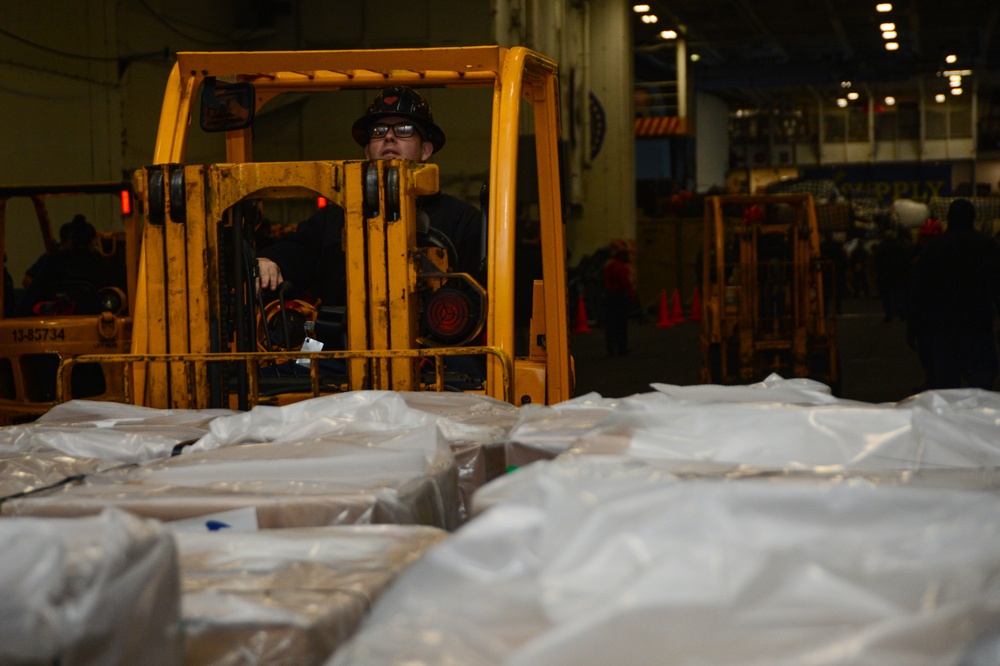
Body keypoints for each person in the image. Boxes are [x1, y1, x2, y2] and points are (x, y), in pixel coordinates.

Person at [257, 85, 482, 308]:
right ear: (367, 152)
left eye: (404, 129)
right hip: (346, 343)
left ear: (425, 150)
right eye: (378, 131)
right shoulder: (335, 218)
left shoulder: (462, 221)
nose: (389, 137)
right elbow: (298, 250)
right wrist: (271, 261)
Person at [909, 199, 1000, 390]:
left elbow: (919, 291)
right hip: (978, 323)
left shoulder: (933, 249)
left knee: (946, 385)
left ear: (949, 219)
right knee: (981, 382)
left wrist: (913, 327)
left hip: (943, 326)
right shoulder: (987, 247)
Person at [17, 214, 117, 316]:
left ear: (71, 239)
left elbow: (30, 289)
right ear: (92, 242)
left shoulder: (53, 260)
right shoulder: (97, 263)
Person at [602, 243, 635, 356]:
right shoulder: (622, 268)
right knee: (621, 323)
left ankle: (611, 347)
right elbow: (626, 284)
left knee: (610, 323)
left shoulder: (608, 265)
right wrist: (632, 297)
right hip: (620, 296)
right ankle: (622, 347)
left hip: (608, 295)